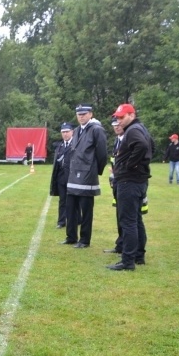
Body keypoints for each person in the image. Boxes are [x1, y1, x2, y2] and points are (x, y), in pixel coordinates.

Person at [107, 103, 152, 271]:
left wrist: (128, 166)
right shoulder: (141, 128)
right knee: (136, 220)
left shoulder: (133, 130)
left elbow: (142, 146)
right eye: (117, 117)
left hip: (129, 182)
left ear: (131, 115)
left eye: (122, 117)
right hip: (138, 180)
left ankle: (128, 261)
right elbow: (151, 146)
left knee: (128, 222)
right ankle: (139, 255)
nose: (119, 120)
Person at [62, 103, 108, 248]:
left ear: (90, 114)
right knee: (70, 208)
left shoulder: (96, 130)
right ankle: (71, 237)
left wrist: (95, 170)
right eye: (78, 114)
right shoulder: (76, 130)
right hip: (73, 175)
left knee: (86, 211)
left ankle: (84, 240)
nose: (81, 117)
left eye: (84, 114)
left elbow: (102, 154)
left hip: (87, 175)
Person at [104, 116, 125, 255]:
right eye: (114, 125)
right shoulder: (118, 140)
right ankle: (120, 245)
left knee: (128, 218)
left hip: (126, 182)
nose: (116, 127)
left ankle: (129, 249)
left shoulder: (128, 139)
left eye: (118, 124)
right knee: (120, 215)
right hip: (117, 181)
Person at [49, 122, 74, 229]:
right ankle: (61, 221)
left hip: (73, 178)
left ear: (72, 132)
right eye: (63, 132)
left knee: (73, 201)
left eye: (67, 132)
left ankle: (75, 220)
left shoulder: (76, 144)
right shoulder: (59, 146)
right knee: (62, 200)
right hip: (61, 178)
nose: (65, 134)